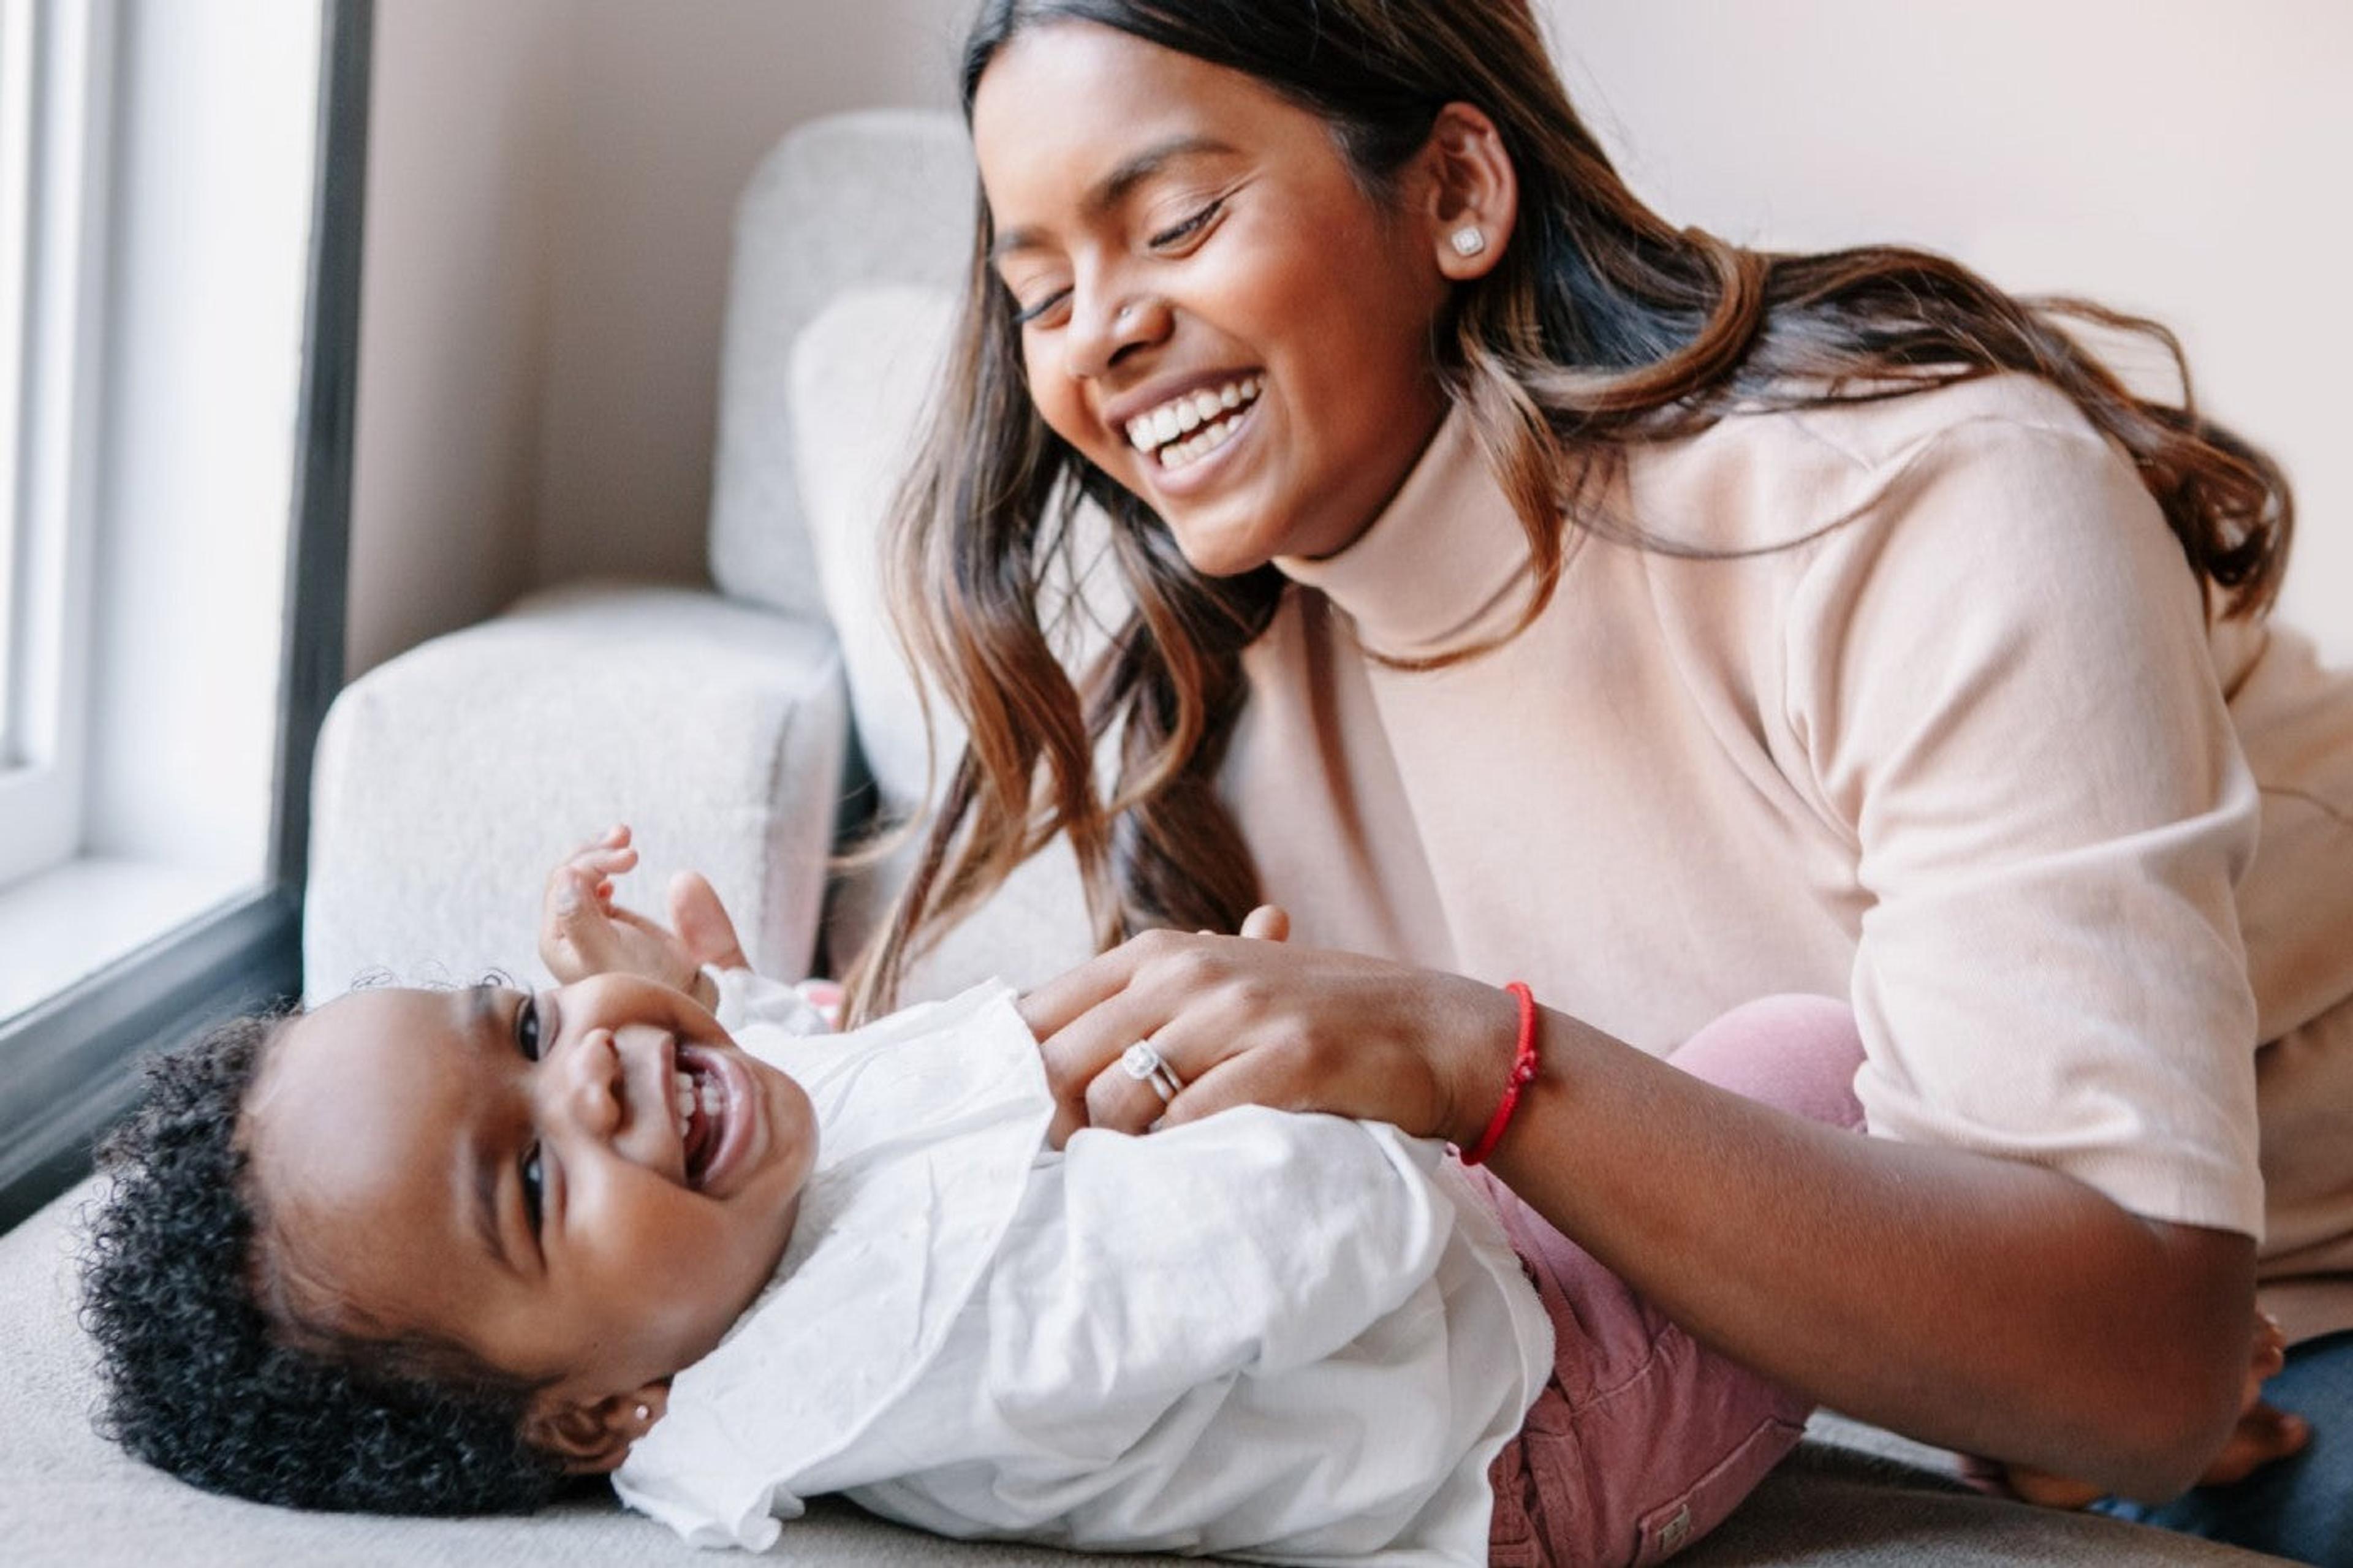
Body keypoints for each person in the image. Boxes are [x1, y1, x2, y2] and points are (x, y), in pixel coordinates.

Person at [849, 1, 2353, 1559]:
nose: (1099, 333)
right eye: (1041, 295)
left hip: (2302, 1318)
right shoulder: (1219, 719)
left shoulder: (1914, 501)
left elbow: (2136, 1366)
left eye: (1178, 222)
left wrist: (1479, 1058)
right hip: (1873, 1387)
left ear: (1455, 190)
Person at [84, 830, 1874, 1565]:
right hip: (1539, 1412)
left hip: (1454, 1280)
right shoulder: (923, 1348)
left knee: (1692, 1078)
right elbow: (1339, 1233)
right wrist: (1294, 1063)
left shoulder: (718, 1253)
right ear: (600, 1414)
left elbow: (853, 1104)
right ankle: (1974, 1372)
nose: (597, 1069)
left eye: (528, 1026)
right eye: (535, 1177)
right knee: (1809, 1066)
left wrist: (726, 1001)